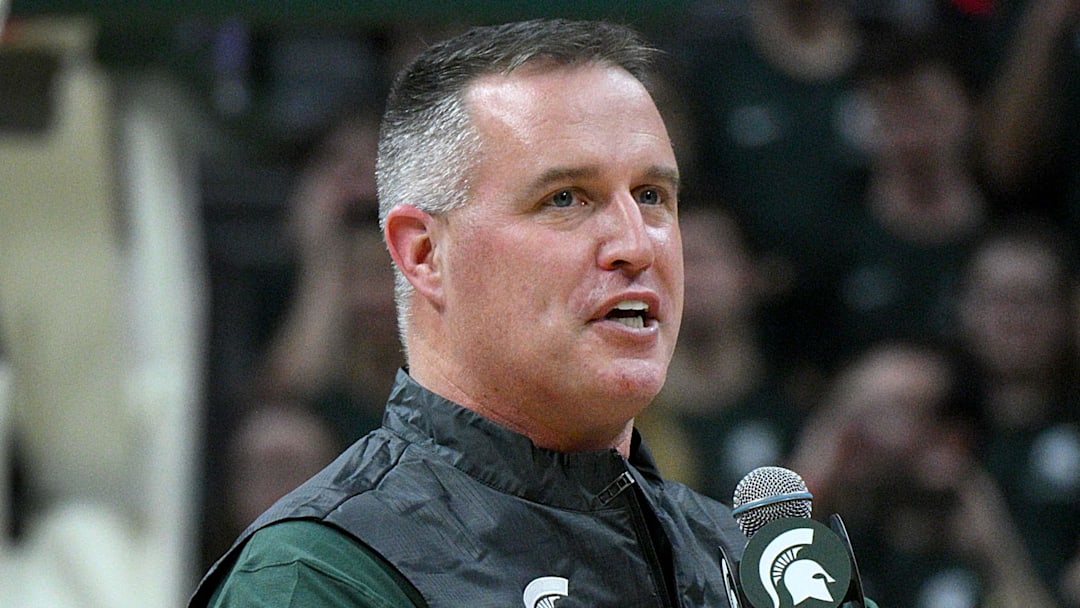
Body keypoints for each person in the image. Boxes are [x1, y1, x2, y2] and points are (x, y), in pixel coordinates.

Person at [190, 19, 753, 607]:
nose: (636, 245)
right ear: (424, 254)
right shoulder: (321, 575)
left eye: (651, 196)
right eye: (565, 198)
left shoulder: (743, 563)